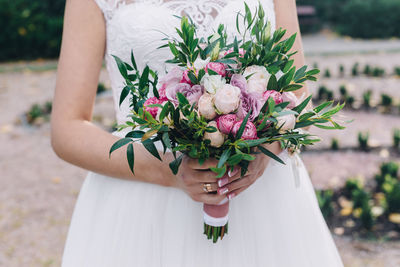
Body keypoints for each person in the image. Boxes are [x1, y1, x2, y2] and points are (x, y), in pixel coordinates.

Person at [52, 0, 344, 266]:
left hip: (261, 200)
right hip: (142, 201)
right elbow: (67, 129)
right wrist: (169, 172)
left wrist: (266, 151)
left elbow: (296, 99)